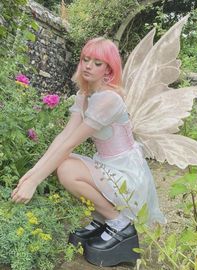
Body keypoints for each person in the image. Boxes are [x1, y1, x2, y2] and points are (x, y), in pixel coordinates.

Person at [11, 37, 166, 267]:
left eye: (97, 62)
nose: (88, 66)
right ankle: (102, 218)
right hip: (108, 167)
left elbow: (69, 144)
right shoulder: (84, 96)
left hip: (126, 176)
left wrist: (34, 181)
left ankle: (119, 222)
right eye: (85, 59)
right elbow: (63, 137)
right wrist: (32, 174)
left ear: (109, 70)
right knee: (64, 163)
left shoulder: (108, 99)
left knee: (66, 168)